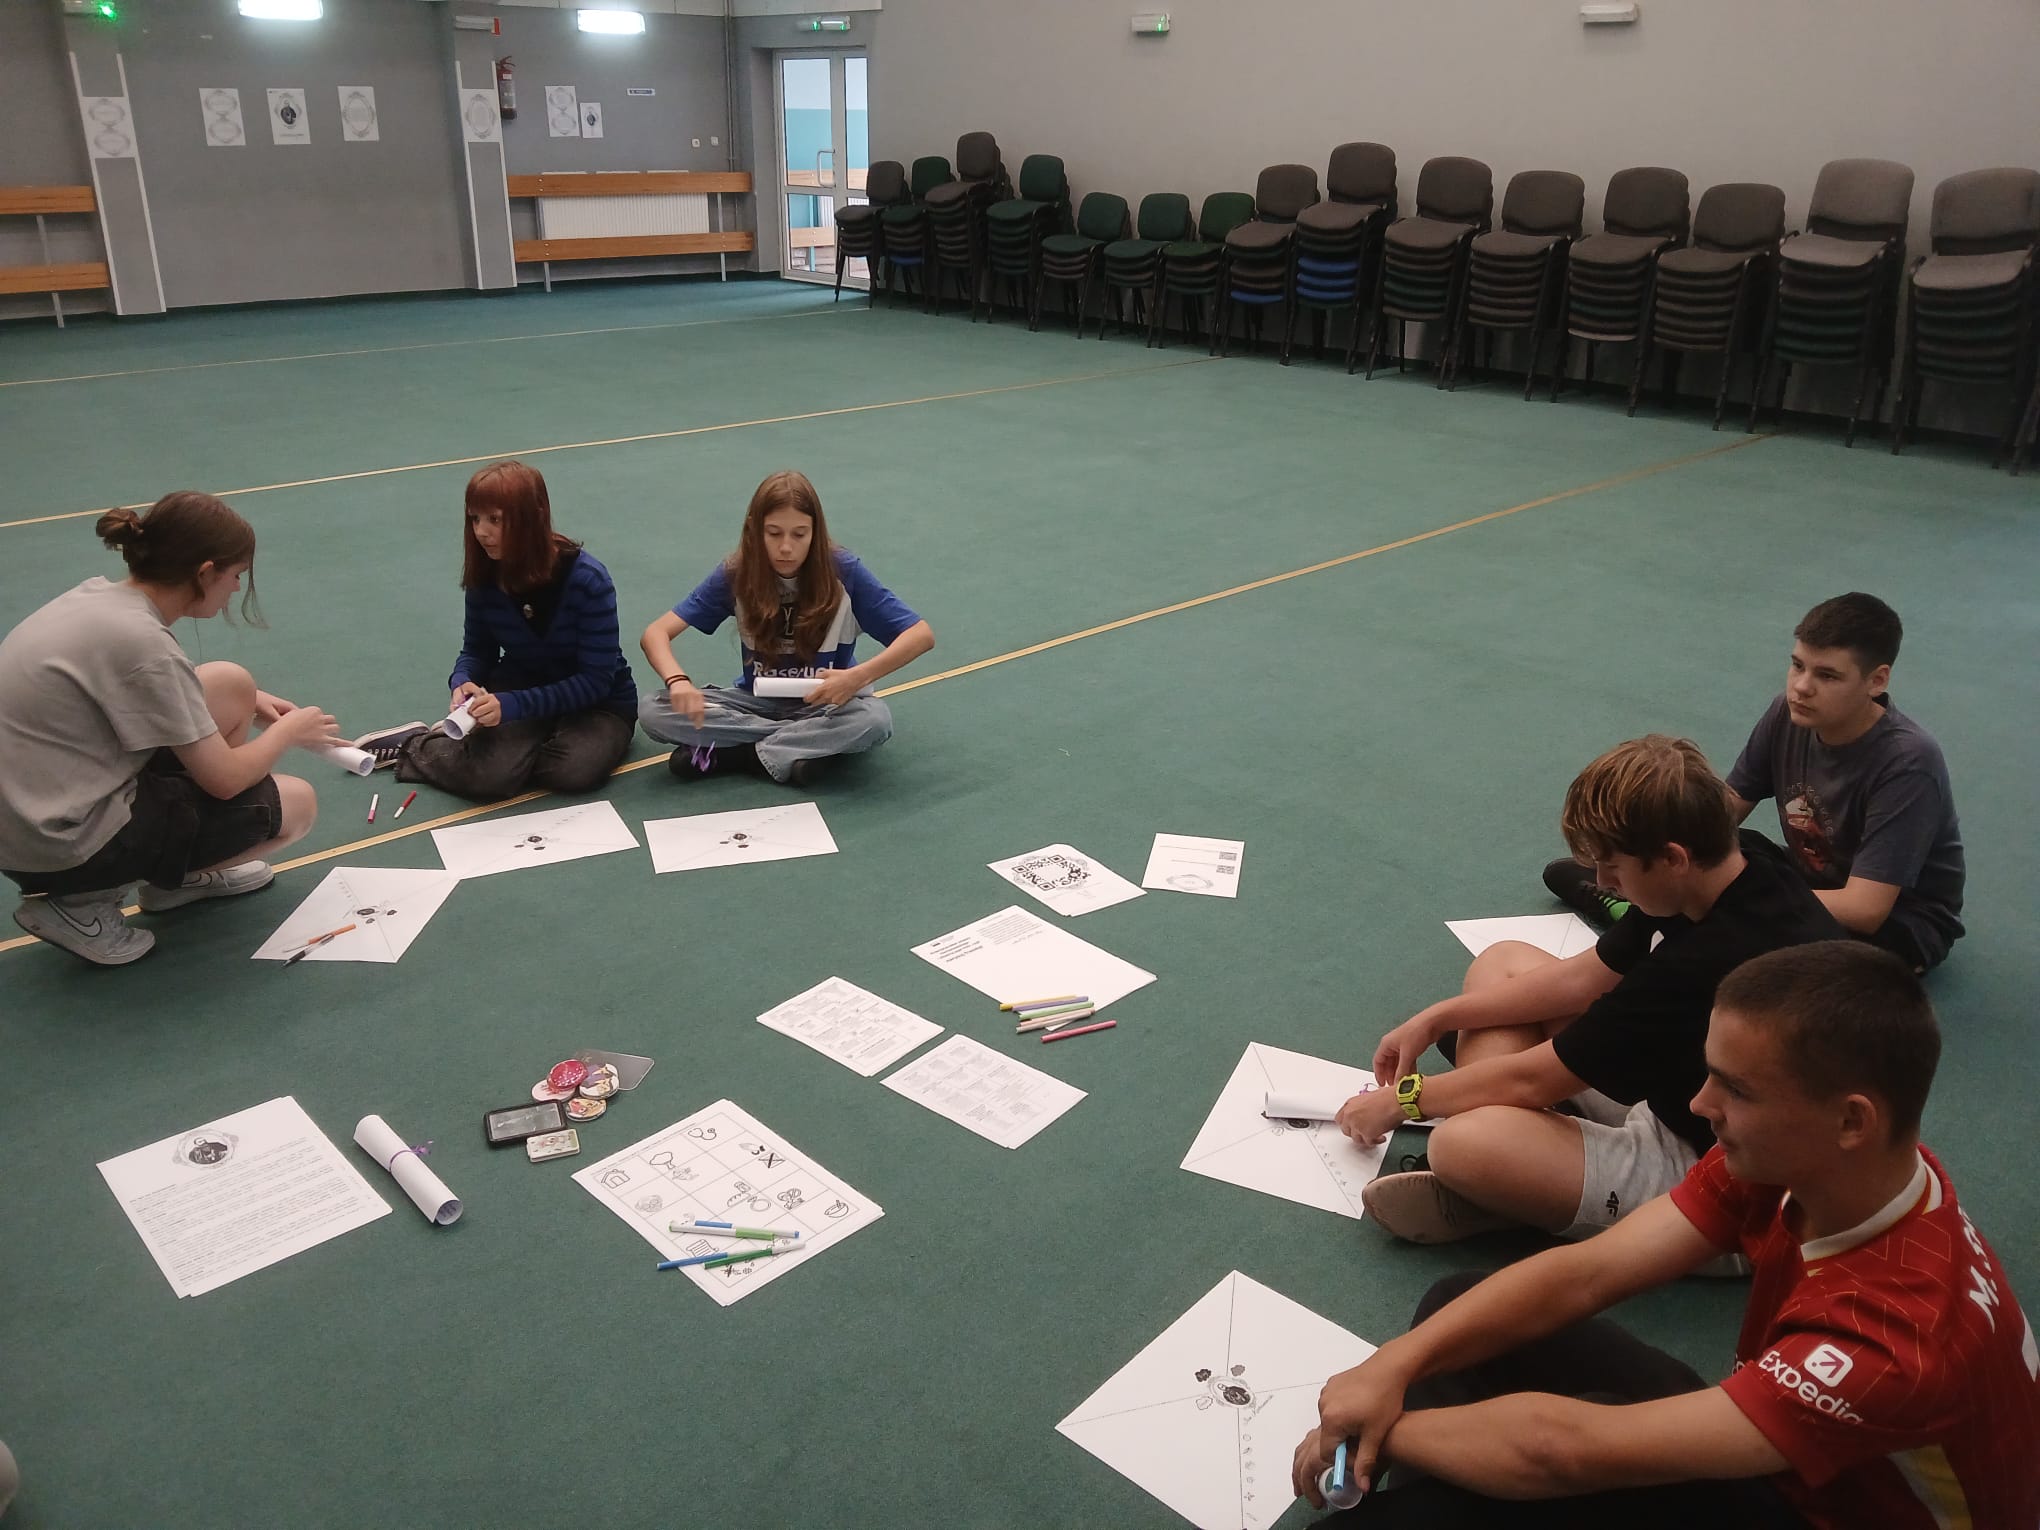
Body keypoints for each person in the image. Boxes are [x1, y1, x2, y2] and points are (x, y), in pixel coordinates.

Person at [1292, 942, 2038, 1529]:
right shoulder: (1830, 1164)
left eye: (1736, 1089)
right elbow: (1588, 1274)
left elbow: (1561, 1452)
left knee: (1531, 1455)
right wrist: (1393, 1366)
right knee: (1455, 1317)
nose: (1700, 1103)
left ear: (1851, 1120)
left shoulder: (1894, 1341)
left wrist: (1383, 1429)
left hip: (1814, 1514)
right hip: (1800, 1460)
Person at [1347, 736, 1839, 1252]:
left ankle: (1511, 1192)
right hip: (1681, 1091)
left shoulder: (1703, 963)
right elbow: (1580, 980)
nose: (1602, 883)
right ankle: (1524, 1176)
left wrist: (1404, 1099)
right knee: (1503, 963)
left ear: (1672, 858)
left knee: (1460, 1143)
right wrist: (1435, 1018)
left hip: (1720, 1172)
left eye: (1614, 868)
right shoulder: (1738, 858)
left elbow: (1534, 1079)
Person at [0, 492, 334, 966]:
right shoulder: (145, 642)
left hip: (28, 813)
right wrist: (291, 732)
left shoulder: (100, 598)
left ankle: (175, 880)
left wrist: (248, 700)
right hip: (59, 845)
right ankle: (80, 903)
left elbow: (148, 686)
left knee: (232, 685)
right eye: (235, 575)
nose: (236, 587)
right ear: (205, 572)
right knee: (296, 804)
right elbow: (225, 780)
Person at [1546, 593, 1963, 971]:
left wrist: (1731, 895)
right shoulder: (1788, 713)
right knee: (1705, 861)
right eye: (1797, 665)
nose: (1801, 687)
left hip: (1896, 925)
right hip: (1810, 878)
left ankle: (1637, 918)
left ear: (1877, 680)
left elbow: (1865, 908)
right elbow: (1723, 813)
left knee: (1737, 939)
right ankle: (1645, 912)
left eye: (1828, 676)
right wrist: (1649, 854)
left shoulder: (1908, 762)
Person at [639, 469, 934, 786]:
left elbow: (920, 635)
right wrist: (678, 682)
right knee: (653, 711)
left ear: (815, 533)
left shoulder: (844, 572)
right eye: (774, 533)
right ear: (754, 530)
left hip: (824, 704)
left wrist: (856, 677)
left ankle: (737, 754)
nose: (786, 548)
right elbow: (655, 634)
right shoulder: (737, 573)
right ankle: (800, 747)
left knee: (874, 721)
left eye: (799, 535)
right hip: (754, 701)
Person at [397, 461, 637, 801]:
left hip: (599, 703)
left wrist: (513, 708)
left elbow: (596, 681)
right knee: (490, 781)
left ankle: (495, 754)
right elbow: (477, 650)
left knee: (573, 771)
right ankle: (415, 745)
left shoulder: (588, 580)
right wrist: (463, 680)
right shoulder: (485, 577)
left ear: (533, 517)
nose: (481, 532)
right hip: (521, 686)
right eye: (475, 519)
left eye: (495, 520)